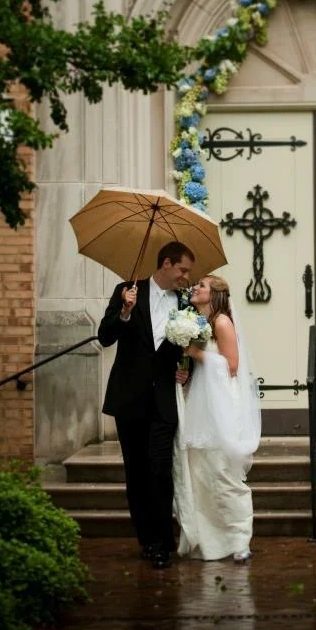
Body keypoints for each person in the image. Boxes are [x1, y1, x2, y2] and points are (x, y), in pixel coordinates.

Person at [97, 241, 194, 569]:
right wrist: (124, 311)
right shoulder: (126, 290)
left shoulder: (184, 300)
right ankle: (146, 538)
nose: (186, 276)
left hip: (163, 400)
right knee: (136, 473)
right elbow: (105, 336)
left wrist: (185, 369)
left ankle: (162, 543)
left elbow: (190, 344)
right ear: (166, 264)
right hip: (129, 398)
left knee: (160, 469)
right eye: (183, 269)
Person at [173, 275, 261, 562]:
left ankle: (239, 538)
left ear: (215, 294)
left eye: (201, 286)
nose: (195, 288)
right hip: (203, 403)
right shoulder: (201, 324)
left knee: (223, 474)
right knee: (203, 473)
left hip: (221, 407)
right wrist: (186, 369)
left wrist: (196, 354)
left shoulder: (222, 322)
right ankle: (211, 540)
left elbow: (232, 366)